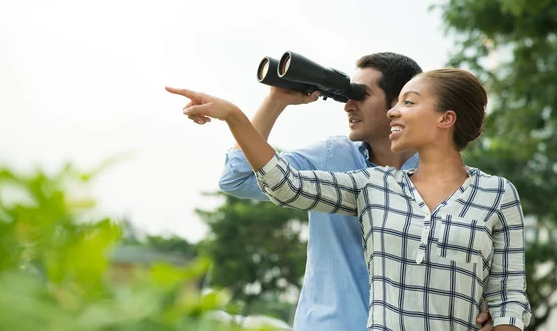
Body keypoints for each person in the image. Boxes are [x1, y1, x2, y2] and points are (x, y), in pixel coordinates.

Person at [165, 67, 531, 330]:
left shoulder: (496, 195)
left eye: (408, 102)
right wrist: (235, 116)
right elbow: (283, 182)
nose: (393, 112)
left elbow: (509, 297)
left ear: (445, 118)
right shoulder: (372, 184)